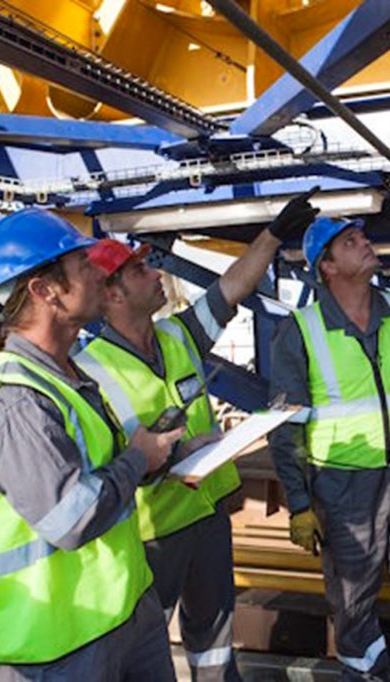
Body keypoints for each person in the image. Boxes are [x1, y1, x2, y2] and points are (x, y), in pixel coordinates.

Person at [74, 189, 319, 681]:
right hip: (150, 537)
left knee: (214, 643)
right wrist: (169, 454)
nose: (156, 275)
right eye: (141, 271)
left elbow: (231, 287)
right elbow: (96, 469)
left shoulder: (178, 335)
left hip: (206, 519)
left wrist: (272, 234)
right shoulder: (89, 374)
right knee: (138, 645)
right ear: (114, 294)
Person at [0, 208, 184, 681]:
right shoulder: (15, 402)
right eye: (83, 266)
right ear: (45, 290)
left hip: (123, 610)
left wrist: (159, 455)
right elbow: (71, 518)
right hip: (56, 643)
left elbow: (104, 471)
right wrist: (140, 456)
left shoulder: (68, 374)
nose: (101, 272)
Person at [268, 216, 390, 681]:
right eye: (351, 242)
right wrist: (299, 504)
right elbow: (286, 428)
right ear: (328, 267)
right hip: (341, 489)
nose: (366, 244)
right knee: (353, 604)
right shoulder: (301, 331)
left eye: (363, 236)